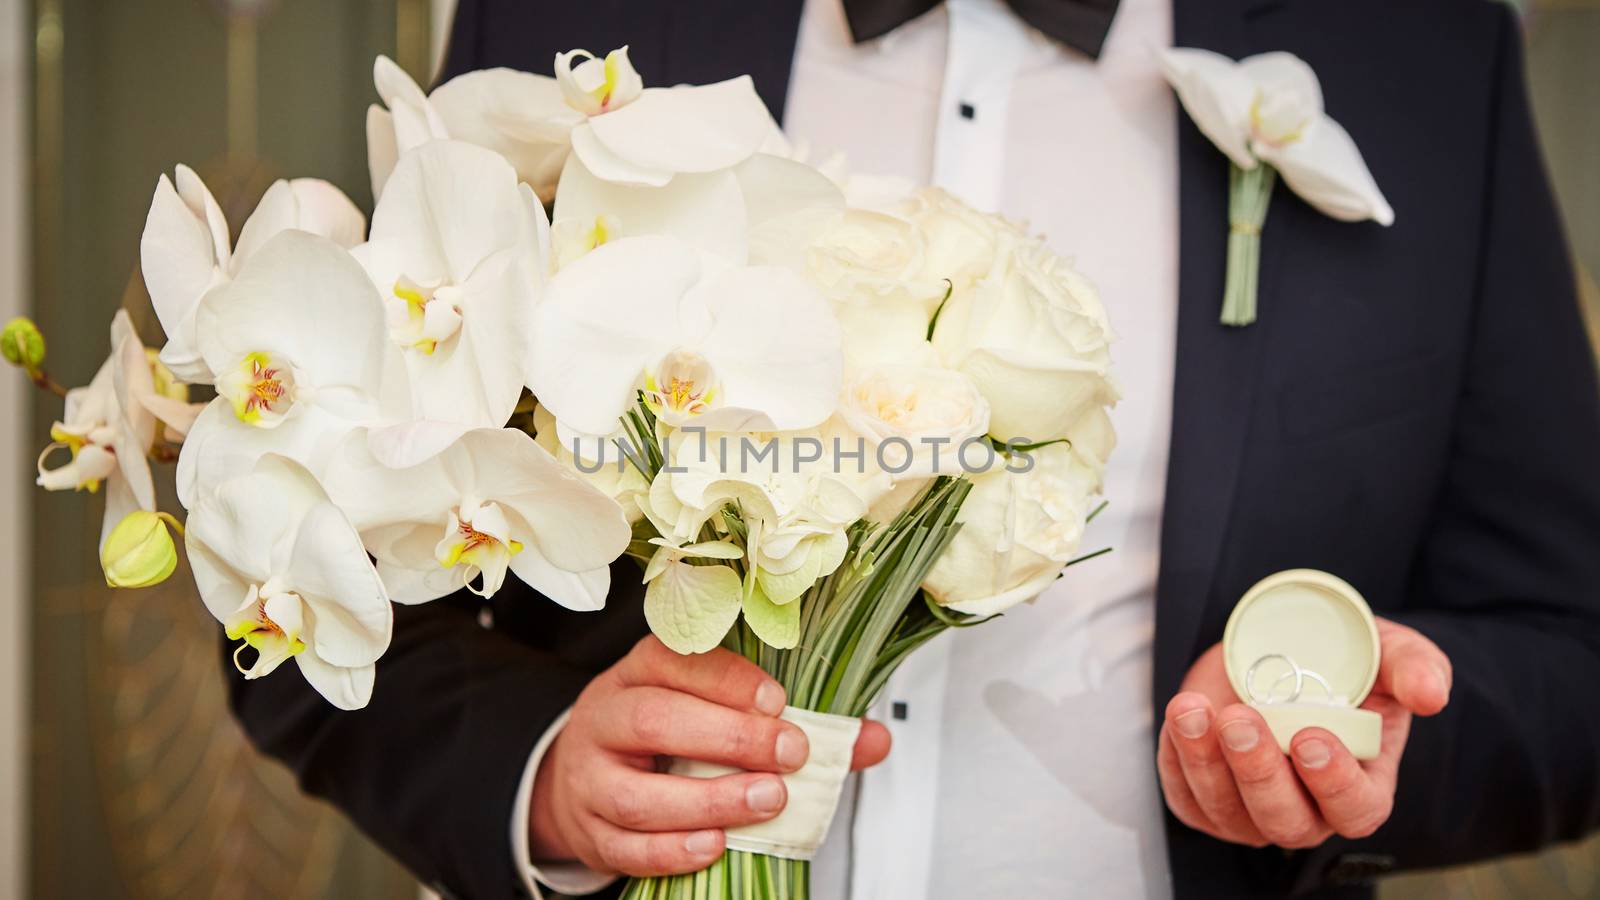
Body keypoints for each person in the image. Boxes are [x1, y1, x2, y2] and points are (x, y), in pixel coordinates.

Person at [227, 0, 1600, 898]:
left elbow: (1572, 655)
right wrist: (540, 773)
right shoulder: (574, 27)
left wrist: (1377, 749)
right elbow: (315, 582)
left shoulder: (1418, 52)